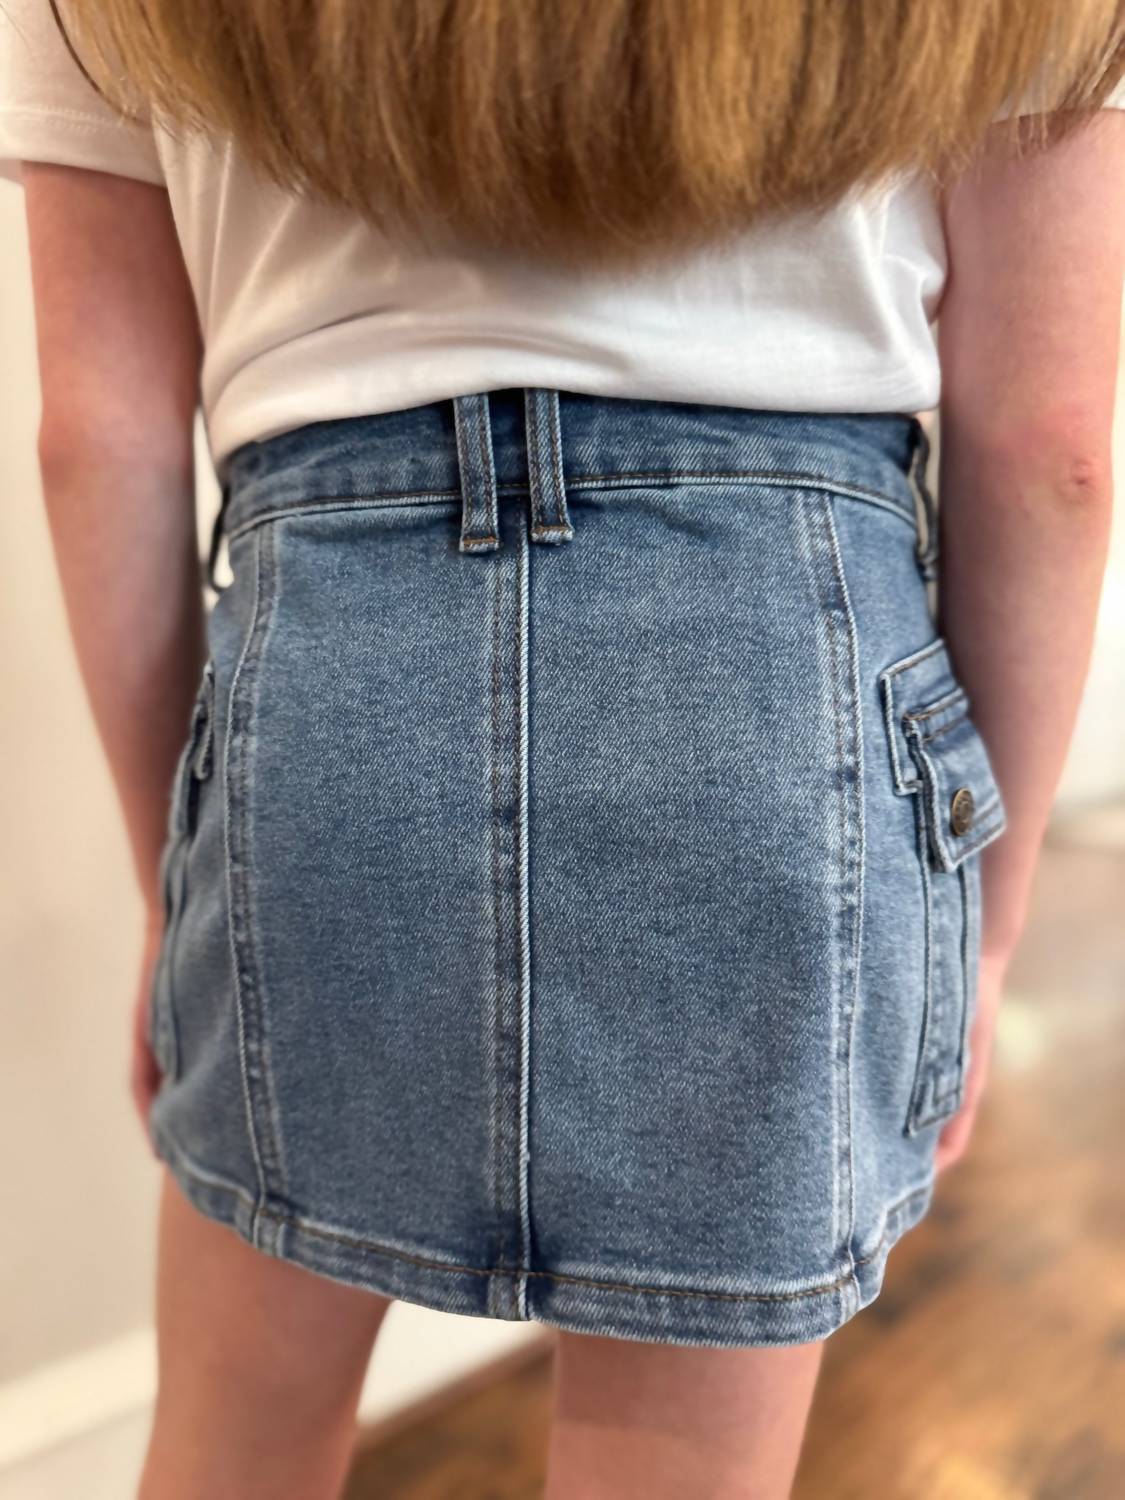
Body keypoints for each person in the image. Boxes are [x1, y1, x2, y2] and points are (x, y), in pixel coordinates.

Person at [2, 2, 1123, 1495]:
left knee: (232, 1445)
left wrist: (177, 883)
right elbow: (1052, 449)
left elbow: (97, 438)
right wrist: (986, 925)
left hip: (331, 692)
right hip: (770, 691)